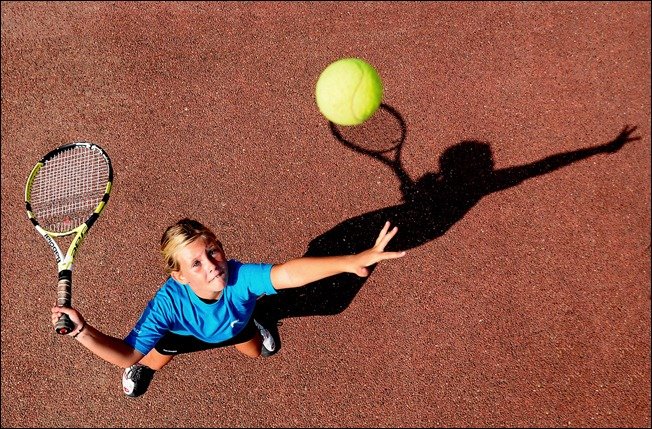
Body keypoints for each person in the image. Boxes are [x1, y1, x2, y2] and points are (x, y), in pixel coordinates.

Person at [50, 218, 406, 398]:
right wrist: (82, 331)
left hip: (235, 324)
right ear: (178, 276)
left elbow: (288, 273)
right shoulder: (168, 305)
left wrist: (350, 261)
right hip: (184, 334)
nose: (211, 266)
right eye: (196, 265)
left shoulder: (238, 276)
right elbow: (127, 353)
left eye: (213, 252)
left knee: (256, 354)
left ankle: (262, 319)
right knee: (149, 360)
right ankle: (149, 372)